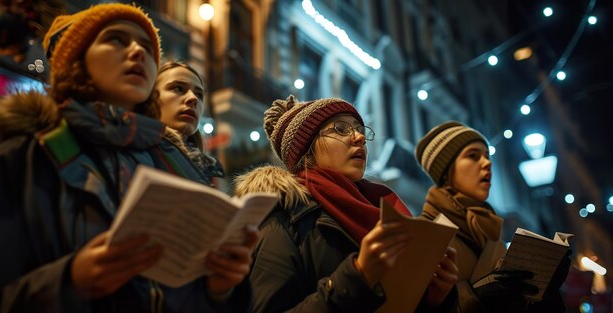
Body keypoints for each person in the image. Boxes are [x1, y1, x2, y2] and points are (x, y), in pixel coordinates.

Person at [0, 4, 254, 312]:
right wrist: (69, 282)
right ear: (77, 59)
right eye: (116, 39)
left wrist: (218, 289)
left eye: (146, 47)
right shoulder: (25, 158)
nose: (138, 52)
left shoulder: (174, 163)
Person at [234, 95, 459, 312]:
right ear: (306, 149)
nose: (360, 138)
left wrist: (434, 301)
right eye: (340, 129)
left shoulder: (382, 207)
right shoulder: (286, 217)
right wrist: (358, 276)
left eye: (360, 130)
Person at [415, 121, 571, 313]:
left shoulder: (491, 231)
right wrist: (475, 297)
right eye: (473, 156)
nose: (487, 163)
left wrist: (545, 291)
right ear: (445, 172)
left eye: (487, 156)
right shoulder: (423, 233)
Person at [140, 60, 223, 183]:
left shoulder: (208, 168)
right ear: (151, 97)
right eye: (178, 88)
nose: (193, 98)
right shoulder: (133, 153)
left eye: (199, 95)